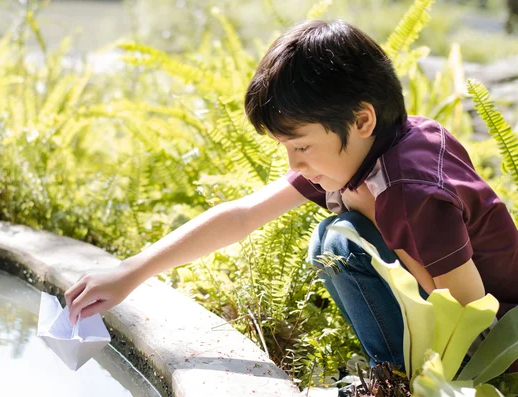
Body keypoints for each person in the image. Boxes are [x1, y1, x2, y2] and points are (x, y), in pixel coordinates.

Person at [65, 19, 518, 373]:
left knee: (339, 242)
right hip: (459, 312)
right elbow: (241, 216)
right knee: (337, 237)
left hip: (498, 345)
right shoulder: (368, 151)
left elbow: (472, 311)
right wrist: (128, 274)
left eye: (300, 146)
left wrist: (443, 382)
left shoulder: (409, 189)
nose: (293, 166)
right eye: (286, 148)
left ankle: (403, 380)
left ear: (362, 121)